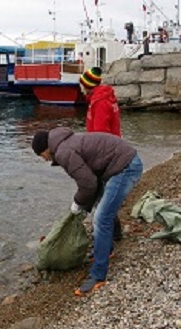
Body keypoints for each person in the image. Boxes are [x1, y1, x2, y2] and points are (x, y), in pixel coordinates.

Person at [31, 127, 143, 295]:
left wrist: (78, 203)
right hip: (119, 164)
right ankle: (111, 244)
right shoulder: (65, 143)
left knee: (101, 219)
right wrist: (85, 206)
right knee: (102, 206)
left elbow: (88, 184)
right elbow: (93, 183)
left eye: (42, 156)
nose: (45, 160)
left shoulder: (63, 152)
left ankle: (98, 276)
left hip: (125, 168)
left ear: (45, 149)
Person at [79, 67, 123, 241]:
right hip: (113, 149)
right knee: (105, 194)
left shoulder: (100, 102)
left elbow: (100, 135)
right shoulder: (104, 98)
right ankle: (113, 231)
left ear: (87, 85)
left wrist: (95, 160)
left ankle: (110, 233)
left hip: (105, 154)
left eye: (81, 84)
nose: (79, 88)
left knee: (102, 194)